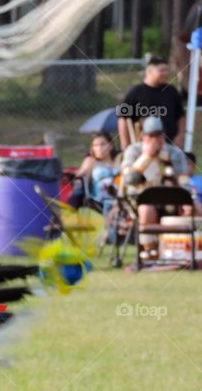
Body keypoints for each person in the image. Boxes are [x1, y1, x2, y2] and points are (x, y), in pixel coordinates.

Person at [121, 116, 192, 258]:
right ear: (143, 136)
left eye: (158, 135)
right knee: (146, 209)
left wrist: (188, 199)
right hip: (141, 198)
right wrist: (147, 156)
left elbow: (183, 179)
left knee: (196, 207)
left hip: (171, 198)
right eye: (150, 136)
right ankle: (150, 250)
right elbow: (129, 179)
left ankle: (190, 251)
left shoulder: (174, 153)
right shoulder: (133, 151)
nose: (155, 140)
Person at [116, 56, 185, 149]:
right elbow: (123, 119)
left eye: (167, 70)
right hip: (142, 147)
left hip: (168, 146)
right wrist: (126, 145)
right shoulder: (135, 92)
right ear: (149, 71)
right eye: (162, 70)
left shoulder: (172, 91)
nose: (166, 73)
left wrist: (180, 137)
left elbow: (181, 117)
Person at [69, 131, 117, 213]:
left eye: (103, 144)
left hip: (120, 199)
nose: (99, 148)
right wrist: (74, 176)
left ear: (111, 146)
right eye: (95, 145)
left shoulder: (118, 160)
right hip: (100, 202)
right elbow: (81, 174)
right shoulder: (91, 161)